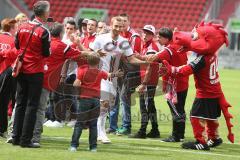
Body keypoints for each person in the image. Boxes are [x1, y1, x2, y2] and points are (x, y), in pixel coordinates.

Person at [152, 22, 233, 150]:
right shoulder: (211, 54)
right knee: (210, 116)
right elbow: (195, 47)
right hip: (215, 90)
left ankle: (201, 142)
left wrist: (170, 69)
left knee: (195, 116)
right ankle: (214, 138)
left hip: (205, 91)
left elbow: (186, 70)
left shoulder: (202, 58)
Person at [90, 16, 146, 143]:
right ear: (111, 25)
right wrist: (96, 54)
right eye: (116, 26)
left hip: (115, 78)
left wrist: (146, 62)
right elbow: (90, 55)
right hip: (101, 76)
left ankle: (97, 130)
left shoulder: (124, 42)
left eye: (121, 27)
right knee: (104, 103)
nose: (118, 29)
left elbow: (131, 59)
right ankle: (101, 133)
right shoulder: (100, 39)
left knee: (107, 105)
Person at [12, 1, 51, 148]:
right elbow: (46, 53)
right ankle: (26, 140)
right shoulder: (43, 31)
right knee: (32, 105)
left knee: (20, 103)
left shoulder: (21, 26)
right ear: (45, 13)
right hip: (35, 71)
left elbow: (17, 45)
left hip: (21, 69)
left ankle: (15, 137)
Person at [69, 53, 123, 152]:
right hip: (96, 100)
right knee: (93, 125)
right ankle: (93, 147)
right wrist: (116, 74)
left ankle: (74, 146)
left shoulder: (83, 71)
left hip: (85, 99)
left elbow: (76, 84)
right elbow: (109, 75)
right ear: (98, 62)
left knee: (79, 124)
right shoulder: (100, 72)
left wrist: (81, 87)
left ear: (87, 61)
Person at [147, 27, 189, 142]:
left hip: (174, 85)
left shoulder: (168, 50)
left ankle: (175, 136)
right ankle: (180, 134)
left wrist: (136, 56)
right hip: (183, 82)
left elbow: (152, 58)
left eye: (159, 37)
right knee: (180, 109)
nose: (157, 39)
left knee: (175, 110)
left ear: (166, 38)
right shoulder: (178, 46)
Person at [109, 13, 142, 135]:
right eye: (119, 22)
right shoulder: (119, 35)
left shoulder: (134, 37)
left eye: (124, 21)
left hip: (131, 72)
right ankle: (113, 126)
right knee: (115, 97)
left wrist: (115, 53)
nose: (122, 24)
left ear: (128, 22)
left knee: (124, 98)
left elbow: (130, 57)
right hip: (120, 71)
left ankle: (126, 126)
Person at [129, 25, 160, 138]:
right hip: (148, 80)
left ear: (153, 35)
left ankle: (142, 131)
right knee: (150, 106)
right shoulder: (146, 45)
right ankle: (155, 130)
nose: (145, 34)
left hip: (148, 81)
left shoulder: (151, 47)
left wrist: (144, 83)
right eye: (144, 32)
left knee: (144, 106)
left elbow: (150, 66)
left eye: (148, 33)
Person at [0, 18, 18, 138]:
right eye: (16, 27)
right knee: (4, 102)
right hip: (6, 74)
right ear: (11, 28)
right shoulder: (14, 41)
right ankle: (3, 129)